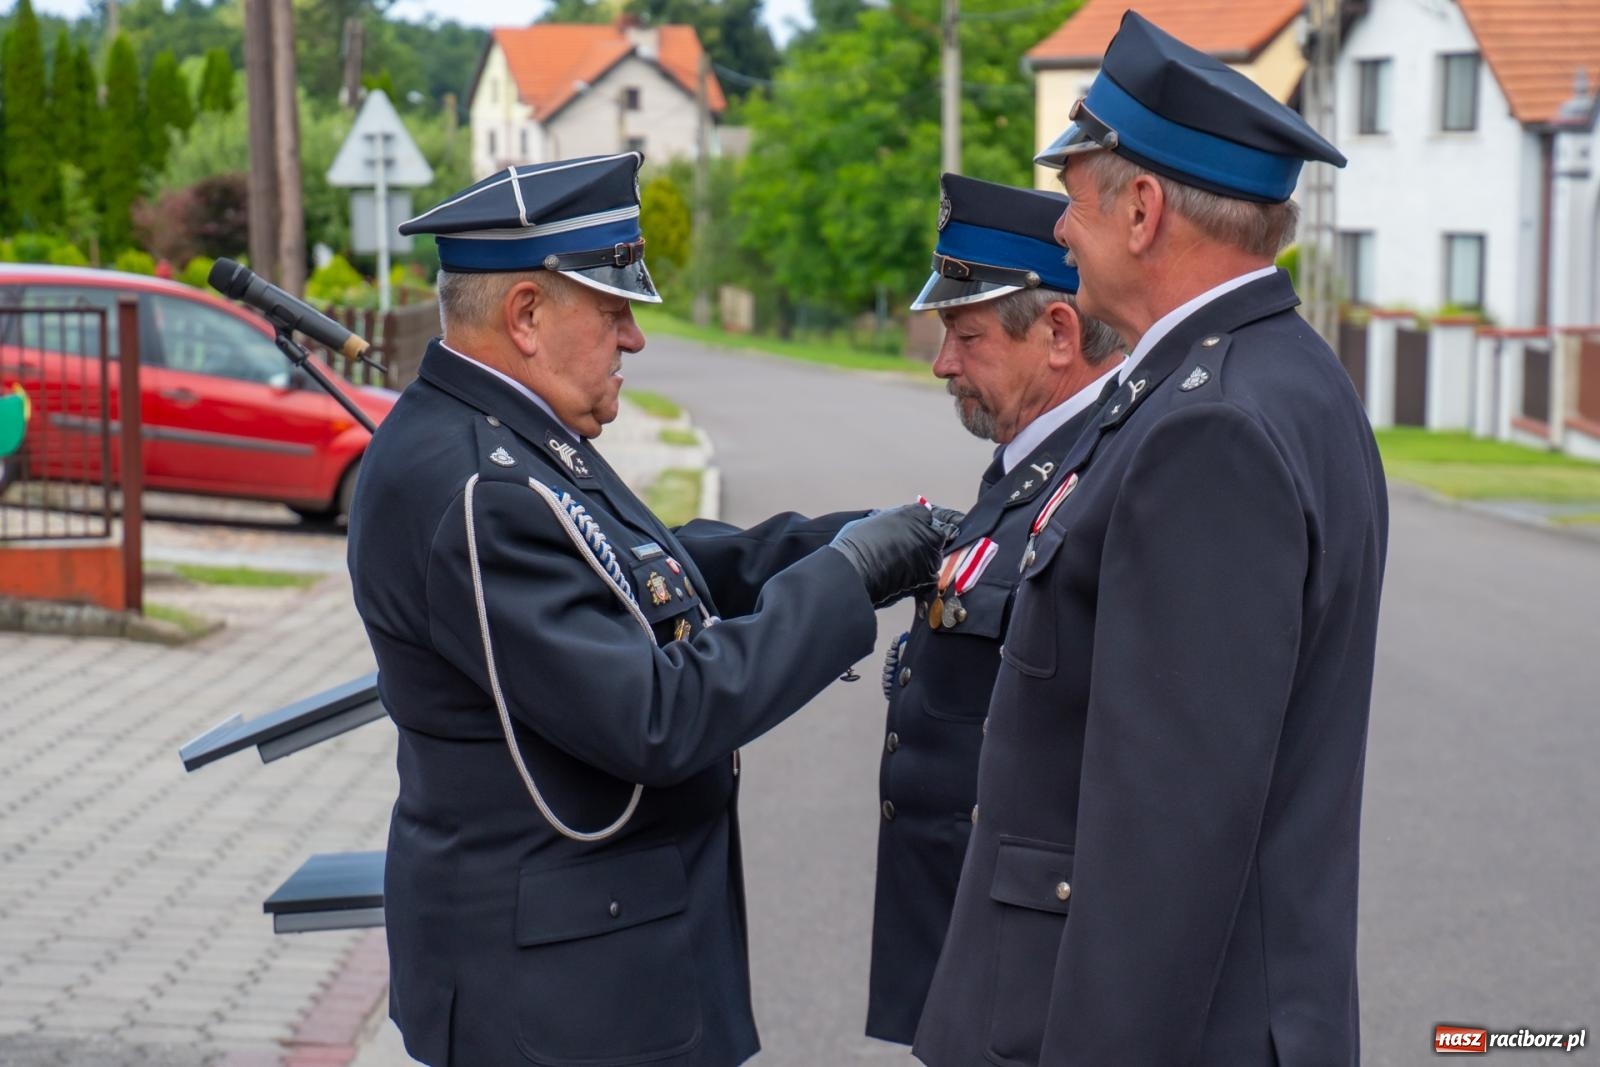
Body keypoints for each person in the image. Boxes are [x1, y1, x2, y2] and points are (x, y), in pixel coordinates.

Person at [346, 152, 955, 1067]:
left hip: (595, 968)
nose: (632, 338)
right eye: (613, 309)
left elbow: (647, 565)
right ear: (525, 316)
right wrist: (842, 581)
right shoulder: (479, 483)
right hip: (563, 1004)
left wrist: (849, 543)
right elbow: (658, 716)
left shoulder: (509, 435)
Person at [913, 12, 1388, 1067]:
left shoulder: (1209, 425)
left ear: (1140, 209)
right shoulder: (1272, 375)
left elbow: (1165, 841)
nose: (1062, 232)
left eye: (1075, 202)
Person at [866, 173, 1123, 1045]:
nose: (942, 364)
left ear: (1057, 333)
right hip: (972, 957)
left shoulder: (1103, 480)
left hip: (1032, 986)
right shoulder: (1028, 467)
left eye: (965, 335)